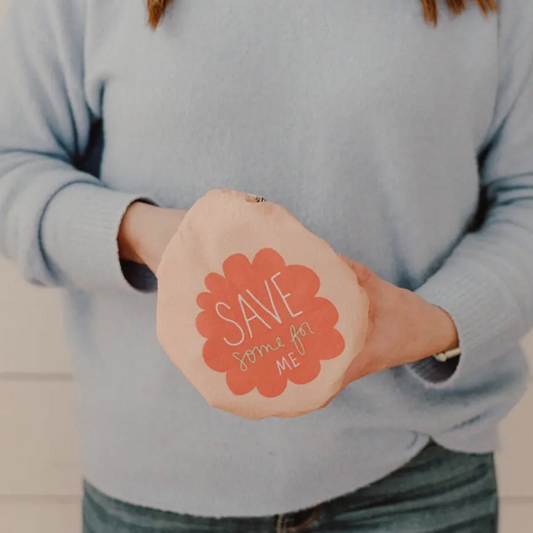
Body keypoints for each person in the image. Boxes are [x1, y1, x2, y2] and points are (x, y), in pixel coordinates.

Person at [0, 0, 529, 531]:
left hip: (418, 481)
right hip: (158, 489)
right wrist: (147, 235)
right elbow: (13, 166)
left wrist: (435, 321)